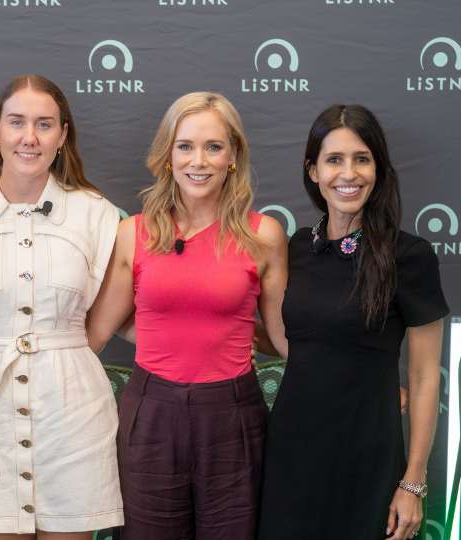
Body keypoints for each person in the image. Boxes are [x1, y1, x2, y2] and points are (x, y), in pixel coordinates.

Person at [0, 74, 124, 539]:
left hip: (73, 415)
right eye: (16, 122)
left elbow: (120, 318)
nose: (29, 137)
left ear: (62, 135)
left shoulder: (98, 215)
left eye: (44, 124)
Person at [86, 91, 289, 540]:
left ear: (233, 155)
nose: (199, 161)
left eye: (213, 147)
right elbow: (97, 331)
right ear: (168, 154)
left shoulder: (264, 235)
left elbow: (283, 338)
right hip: (152, 414)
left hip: (233, 415)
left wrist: (358, 380)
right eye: (186, 146)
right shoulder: (134, 232)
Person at [258, 104, 448, 540]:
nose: (350, 173)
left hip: (368, 454)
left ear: (378, 169)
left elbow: (423, 378)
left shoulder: (410, 256)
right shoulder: (297, 248)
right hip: (291, 450)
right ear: (313, 171)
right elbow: (299, 339)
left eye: (362, 159)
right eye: (334, 160)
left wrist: (412, 481)